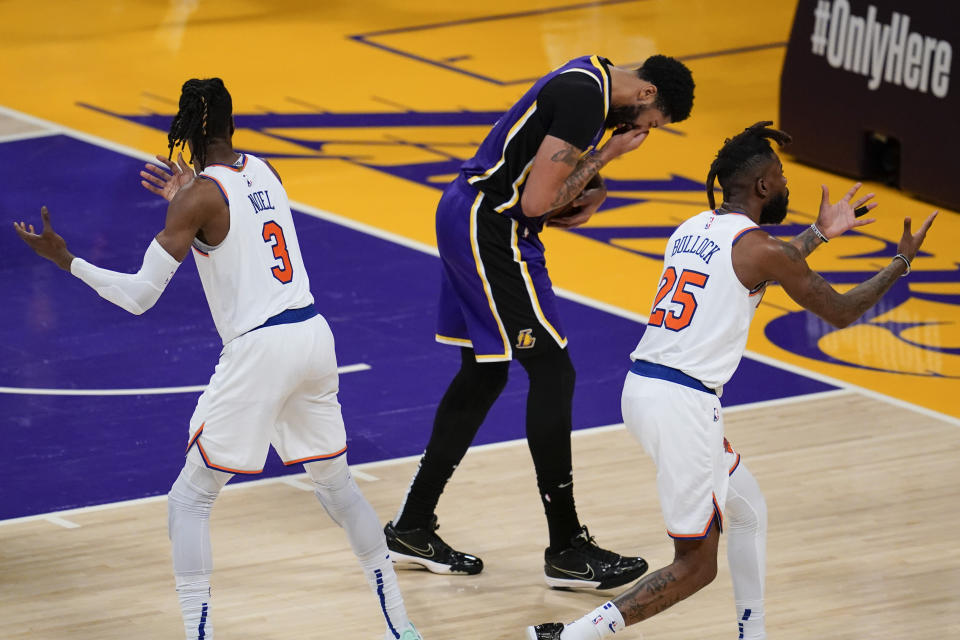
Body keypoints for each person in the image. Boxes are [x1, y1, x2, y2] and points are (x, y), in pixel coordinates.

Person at [14, 78, 423, 640]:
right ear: (231, 124)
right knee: (337, 487)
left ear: (185, 130)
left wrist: (68, 262)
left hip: (261, 350)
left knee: (190, 498)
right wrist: (192, 196)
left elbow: (139, 296)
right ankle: (401, 627)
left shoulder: (199, 196)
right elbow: (238, 226)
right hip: (312, 336)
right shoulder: (267, 170)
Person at [525, 121, 937, 639]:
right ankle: (570, 636)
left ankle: (753, 633)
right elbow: (841, 310)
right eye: (781, 176)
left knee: (747, 509)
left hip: (645, 389)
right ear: (763, 186)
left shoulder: (692, 229)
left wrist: (820, 234)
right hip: (685, 404)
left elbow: (756, 265)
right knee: (696, 566)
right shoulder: (764, 249)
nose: (787, 185)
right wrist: (900, 262)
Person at [385, 55, 696, 589]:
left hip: (473, 214)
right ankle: (567, 547)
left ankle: (412, 526)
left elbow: (543, 187)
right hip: (492, 228)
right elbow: (535, 201)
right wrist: (605, 156)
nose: (643, 132)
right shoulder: (586, 102)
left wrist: (589, 189)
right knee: (554, 372)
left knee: (484, 374)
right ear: (645, 94)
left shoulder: (591, 76)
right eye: (652, 125)